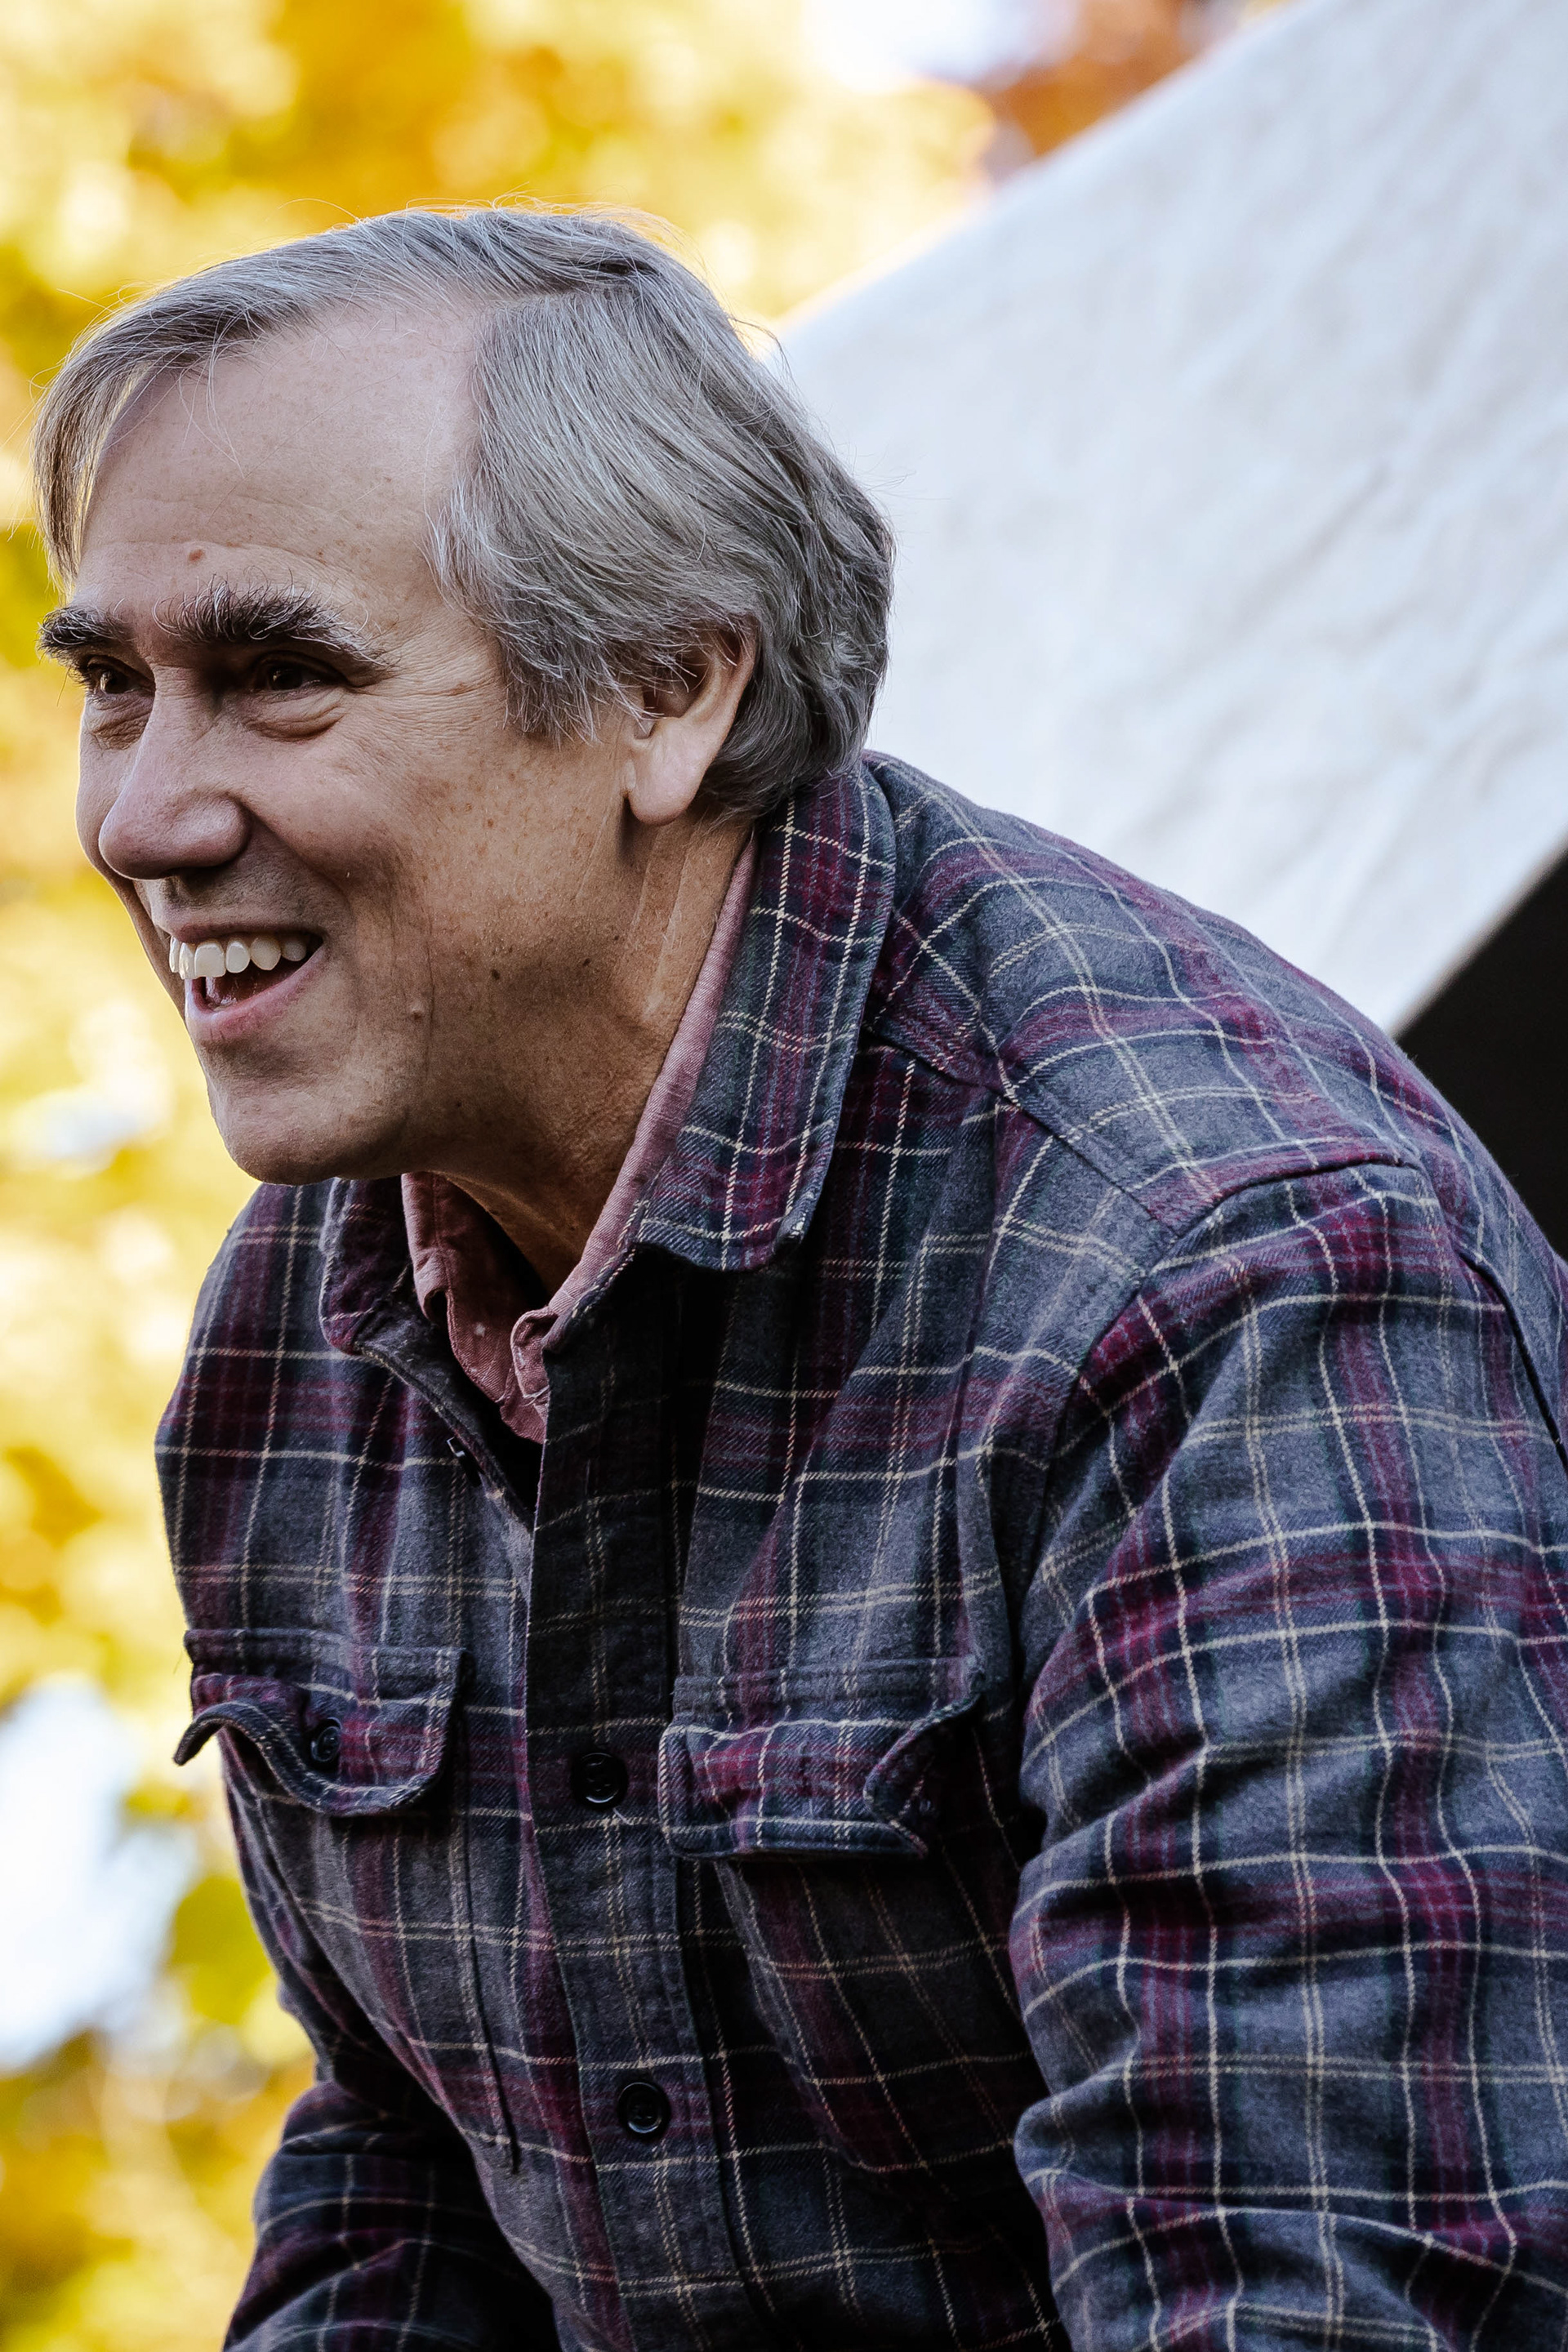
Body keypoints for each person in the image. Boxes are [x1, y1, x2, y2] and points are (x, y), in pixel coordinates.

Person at [33, 206, 1568, 2352]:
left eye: (281, 675)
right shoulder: (315, 1301)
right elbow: (415, 2163)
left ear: (669, 689)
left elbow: (1310, 2289)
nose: (147, 816)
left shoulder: (1223, 1277)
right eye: (112, 687)